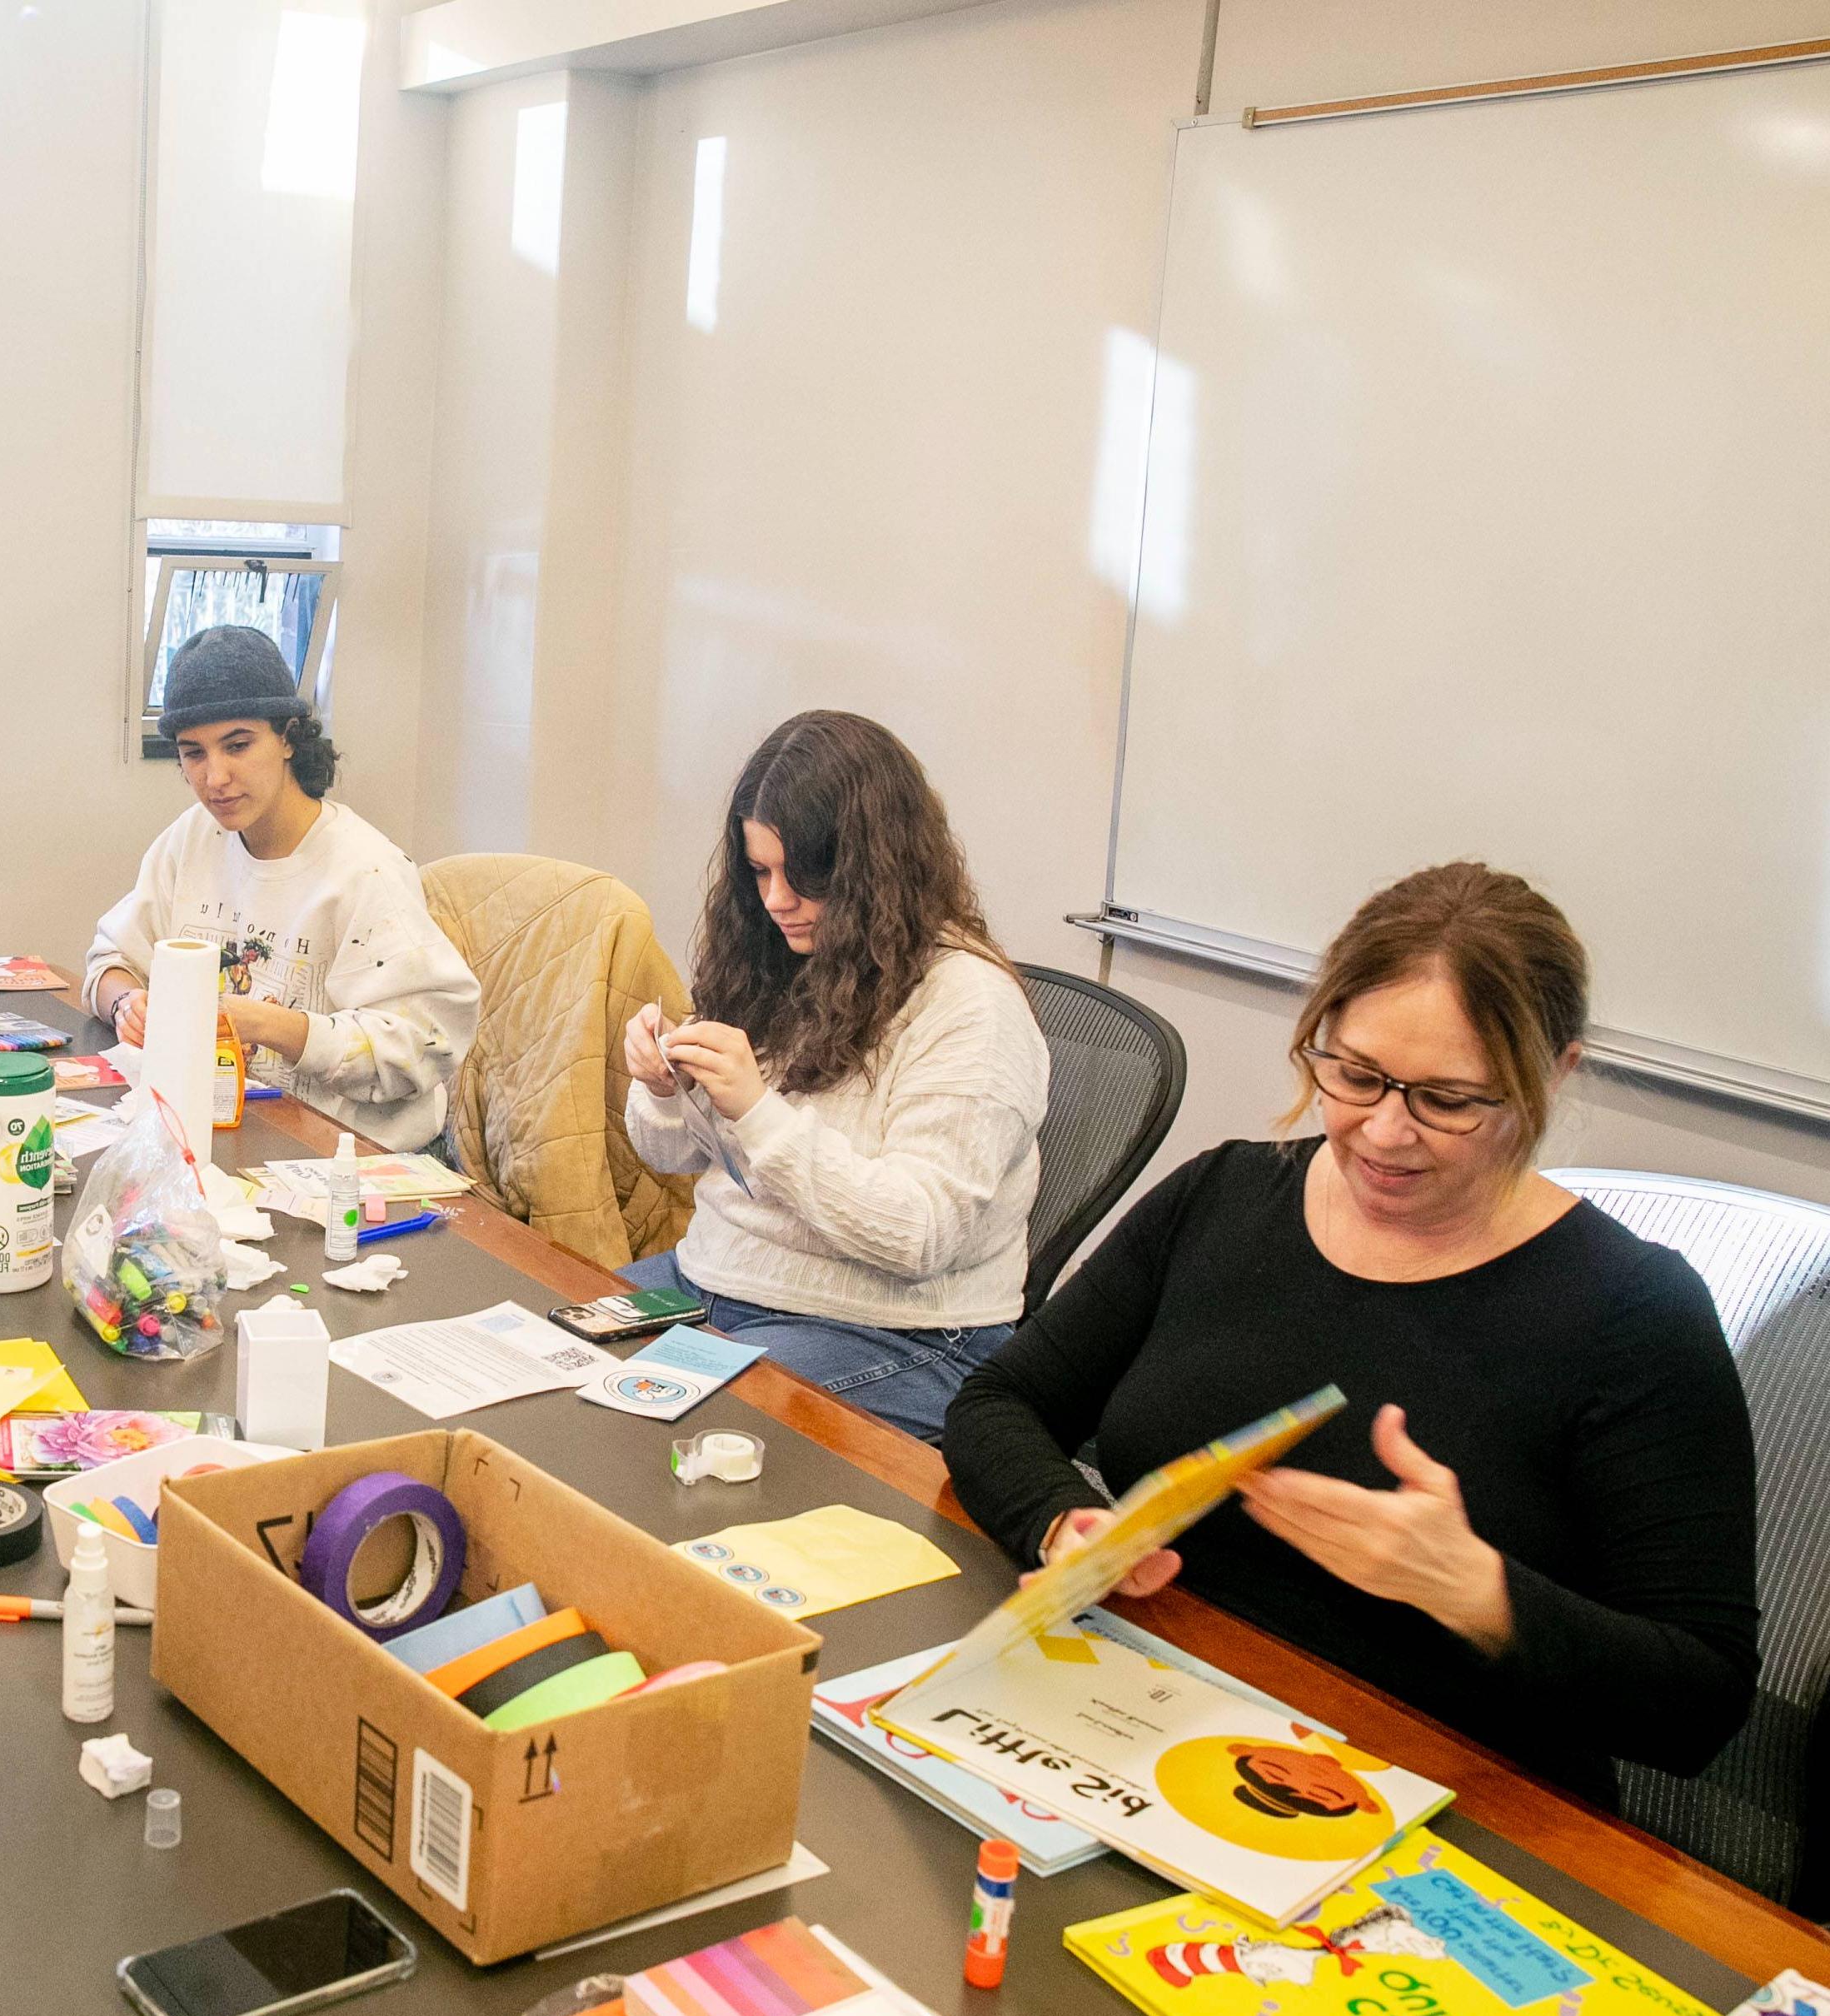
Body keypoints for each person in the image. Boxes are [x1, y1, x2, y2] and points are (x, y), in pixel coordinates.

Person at [940, 862, 1759, 1804]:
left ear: (1551, 1076)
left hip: (1440, 1797)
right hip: (1150, 1722)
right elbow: (999, 1402)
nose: (1381, 1132)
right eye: (1354, 1074)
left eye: (1447, 1100)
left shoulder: (1635, 1314)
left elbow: (1700, 1703)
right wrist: (1063, 1523)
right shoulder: (1224, 1196)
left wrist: (1474, 1590)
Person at [619, 711, 1048, 1440]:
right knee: (545, 1365)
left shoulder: (972, 1007)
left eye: (806, 875)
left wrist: (756, 1111)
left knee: (675, 1432)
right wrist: (665, 1090)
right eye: (759, 871)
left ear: (875, 870)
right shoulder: (773, 955)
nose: (776, 900)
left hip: (896, 1333)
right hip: (716, 1282)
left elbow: (917, 1236)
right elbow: (675, 1156)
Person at [85, 624, 479, 1155]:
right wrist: (127, 1003)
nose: (215, 777)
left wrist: (267, 1024)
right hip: (236, 1136)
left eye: (238, 745)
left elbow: (423, 1046)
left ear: (289, 738)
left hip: (355, 1159)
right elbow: (110, 959)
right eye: (193, 753)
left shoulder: (366, 870)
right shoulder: (192, 838)